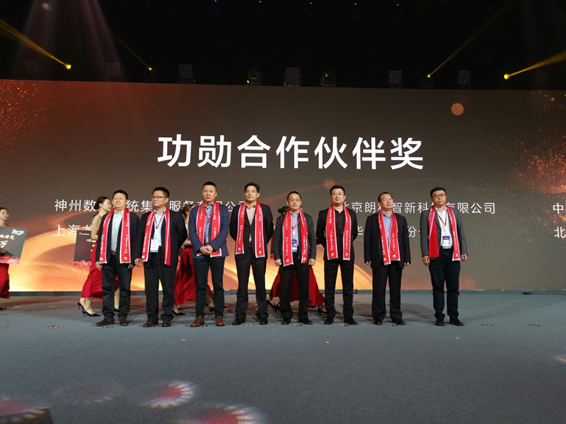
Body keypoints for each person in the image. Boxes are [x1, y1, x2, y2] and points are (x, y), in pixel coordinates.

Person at [134, 187, 187, 328]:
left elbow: (182, 234)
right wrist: (137, 255)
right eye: (153, 197)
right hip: (150, 255)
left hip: (167, 255)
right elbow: (139, 237)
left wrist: (172, 247)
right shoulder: (145, 217)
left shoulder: (175, 216)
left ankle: (167, 317)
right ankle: (151, 317)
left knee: (168, 288)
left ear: (166, 200)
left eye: (158, 197)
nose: (155, 199)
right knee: (150, 288)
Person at [420, 187, 468, 326]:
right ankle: (439, 316)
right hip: (436, 254)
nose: (439, 197)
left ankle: (453, 316)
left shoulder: (454, 212)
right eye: (436, 195)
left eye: (442, 195)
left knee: (453, 288)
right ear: (432, 199)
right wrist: (425, 253)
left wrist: (464, 250)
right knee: (438, 287)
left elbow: (461, 232)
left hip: (453, 253)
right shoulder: (426, 214)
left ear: (446, 197)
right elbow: (424, 235)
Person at [229, 182, 274, 325]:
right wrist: (243, 242)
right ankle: (240, 314)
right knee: (242, 284)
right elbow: (233, 230)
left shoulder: (265, 209)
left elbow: (269, 230)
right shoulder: (237, 209)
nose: (250, 193)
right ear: (244, 194)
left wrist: (259, 242)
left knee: (260, 283)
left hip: (259, 251)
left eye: (253, 191)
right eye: (247, 191)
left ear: (258, 194)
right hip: (242, 251)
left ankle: (262, 313)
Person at [364, 192, 411, 325]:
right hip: (379, 258)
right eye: (385, 199)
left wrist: (407, 257)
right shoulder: (372, 219)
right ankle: (378, 316)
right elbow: (367, 239)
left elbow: (405, 240)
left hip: (396, 259)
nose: (388, 201)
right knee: (378, 289)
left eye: (390, 199)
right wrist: (368, 256)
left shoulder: (401, 219)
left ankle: (396, 316)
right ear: (379, 203)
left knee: (395, 289)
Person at [95, 190, 139, 327]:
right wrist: (98, 258)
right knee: (107, 288)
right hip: (108, 257)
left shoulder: (133, 218)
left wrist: (133, 258)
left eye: (121, 198)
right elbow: (101, 238)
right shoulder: (106, 217)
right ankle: (108, 316)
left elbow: (137, 239)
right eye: (115, 198)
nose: (118, 200)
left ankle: (123, 316)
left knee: (125, 289)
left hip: (125, 259)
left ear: (127, 201)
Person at [188, 182, 230, 327]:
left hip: (217, 251)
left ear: (215, 194)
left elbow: (224, 229)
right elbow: (192, 231)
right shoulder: (195, 211)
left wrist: (212, 246)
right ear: (202, 193)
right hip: (200, 252)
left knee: (218, 285)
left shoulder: (223, 209)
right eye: (205, 191)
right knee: (200, 285)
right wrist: (200, 247)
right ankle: (199, 316)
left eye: (211, 191)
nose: (208, 193)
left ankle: (219, 315)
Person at [316, 185, 358, 325]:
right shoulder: (323, 214)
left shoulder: (351, 213)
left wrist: (345, 244)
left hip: (347, 255)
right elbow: (319, 234)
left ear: (344, 197)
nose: (337, 196)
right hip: (330, 255)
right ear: (330, 197)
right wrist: (329, 245)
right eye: (334, 194)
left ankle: (348, 316)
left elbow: (354, 233)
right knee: (330, 287)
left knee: (348, 287)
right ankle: (330, 315)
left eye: (340, 194)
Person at [272, 191, 316, 325]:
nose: (294, 202)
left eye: (297, 199)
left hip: (302, 255)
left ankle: (303, 315)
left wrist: (312, 256)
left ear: (300, 202)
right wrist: (277, 256)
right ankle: (286, 315)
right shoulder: (281, 219)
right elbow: (276, 239)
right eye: (292, 200)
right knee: (285, 287)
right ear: (287, 202)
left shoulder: (307, 218)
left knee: (304, 287)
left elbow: (311, 239)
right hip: (286, 255)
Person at [173, 204, 213, 314]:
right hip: (189, 254)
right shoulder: (185, 225)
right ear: (187, 212)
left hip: (196, 252)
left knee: (200, 278)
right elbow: (184, 241)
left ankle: (211, 302)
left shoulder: (196, 223)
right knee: (185, 279)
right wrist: (200, 243)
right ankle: (174, 304)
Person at [78, 196, 113, 317]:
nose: (110, 205)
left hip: (106, 249)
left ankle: (83, 300)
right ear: (100, 205)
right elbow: (93, 236)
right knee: (95, 277)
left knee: (96, 277)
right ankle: (87, 305)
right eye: (108, 203)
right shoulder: (98, 218)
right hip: (99, 250)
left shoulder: (108, 217)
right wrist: (110, 238)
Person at [0, 207, 11, 309]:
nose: (5, 215)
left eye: (7, 213)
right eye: (3, 213)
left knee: (4, 280)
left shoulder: (10, 229)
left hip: (4, 258)